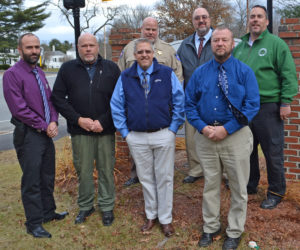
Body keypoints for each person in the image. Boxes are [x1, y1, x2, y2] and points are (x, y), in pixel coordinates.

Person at [185, 27, 260, 249]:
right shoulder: (200, 73)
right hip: (206, 136)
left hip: (235, 136)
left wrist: (227, 129)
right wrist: (202, 127)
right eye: (216, 40)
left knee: (238, 187)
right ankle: (211, 227)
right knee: (210, 185)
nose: (220, 44)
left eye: (224, 40)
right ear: (211, 44)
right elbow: (189, 104)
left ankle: (235, 231)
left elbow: (252, 105)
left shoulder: (244, 72)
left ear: (232, 44)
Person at [111, 38, 185, 237]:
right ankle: (151, 215)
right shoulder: (126, 76)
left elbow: (179, 101)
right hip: (137, 136)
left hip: (163, 134)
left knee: (165, 178)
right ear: (135, 55)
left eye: (147, 51)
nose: (144, 55)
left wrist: (173, 129)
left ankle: (166, 219)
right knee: (145, 178)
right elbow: (116, 105)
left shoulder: (167, 73)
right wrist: (125, 133)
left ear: (153, 53)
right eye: (140, 52)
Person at [3, 33, 68, 238]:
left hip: (45, 133)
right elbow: (19, 109)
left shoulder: (38, 72)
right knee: (32, 180)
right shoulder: (12, 75)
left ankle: (48, 213)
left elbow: (50, 101)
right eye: (29, 47)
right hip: (28, 134)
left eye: (37, 47)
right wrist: (43, 125)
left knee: (47, 176)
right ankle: (34, 223)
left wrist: (54, 121)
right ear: (20, 50)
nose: (34, 51)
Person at [51, 33, 120, 226]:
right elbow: (57, 98)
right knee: (84, 170)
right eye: (84, 46)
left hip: (104, 130)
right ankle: (86, 205)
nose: (88, 49)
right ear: (78, 48)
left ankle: (106, 206)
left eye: (91, 45)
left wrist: (104, 122)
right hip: (80, 131)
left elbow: (119, 99)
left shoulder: (111, 69)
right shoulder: (67, 69)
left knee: (106, 169)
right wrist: (78, 119)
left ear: (98, 47)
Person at [233, 5, 298, 209]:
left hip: (269, 106)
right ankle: (251, 184)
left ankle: (276, 191)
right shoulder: (240, 47)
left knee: (272, 151)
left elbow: (288, 75)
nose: (255, 20)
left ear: (267, 21)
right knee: (247, 150)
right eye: (252, 16)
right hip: (245, 108)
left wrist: (285, 102)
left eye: (260, 16)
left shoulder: (276, 44)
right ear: (248, 21)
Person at [118, 16, 183, 187]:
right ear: (141, 29)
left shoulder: (168, 50)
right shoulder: (129, 49)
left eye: (154, 29)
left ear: (158, 30)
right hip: (136, 108)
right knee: (138, 146)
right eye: (147, 29)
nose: (150, 32)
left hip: (161, 109)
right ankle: (136, 174)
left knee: (163, 149)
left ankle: (164, 176)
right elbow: (121, 76)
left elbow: (178, 77)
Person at [177, 7, 214, 183]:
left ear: (210, 20)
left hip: (215, 100)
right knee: (192, 139)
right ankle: (196, 170)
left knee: (216, 136)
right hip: (191, 100)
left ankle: (223, 173)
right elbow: (178, 73)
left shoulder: (219, 40)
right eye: (197, 18)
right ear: (193, 21)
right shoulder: (185, 45)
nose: (201, 21)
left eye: (204, 17)